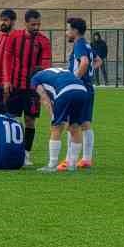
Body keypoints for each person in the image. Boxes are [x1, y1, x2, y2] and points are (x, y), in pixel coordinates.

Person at [0, 8, 53, 165]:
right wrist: (6, 80)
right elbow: (5, 59)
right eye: (33, 24)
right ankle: (11, 152)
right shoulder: (14, 37)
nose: (36, 27)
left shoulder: (44, 41)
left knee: (30, 120)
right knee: (11, 119)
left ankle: (26, 155)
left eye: (38, 24)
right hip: (15, 86)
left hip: (33, 89)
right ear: (25, 23)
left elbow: (45, 65)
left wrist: (42, 86)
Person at [29, 67, 90, 172]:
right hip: (83, 90)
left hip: (65, 91)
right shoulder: (58, 70)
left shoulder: (35, 78)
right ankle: (72, 165)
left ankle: (52, 165)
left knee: (57, 127)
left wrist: (53, 115)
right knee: (75, 126)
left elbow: (44, 97)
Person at [66, 17, 101, 168]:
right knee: (86, 123)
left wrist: (74, 79)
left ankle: (69, 160)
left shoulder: (79, 44)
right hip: (88, 87)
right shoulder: (87, 44)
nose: (67, 33)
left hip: (79, 88)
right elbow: (98, 61)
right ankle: (86, 159)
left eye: (68, 29)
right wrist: (89, 74)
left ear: (75, 31)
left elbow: (85, 62)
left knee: (72, 123)